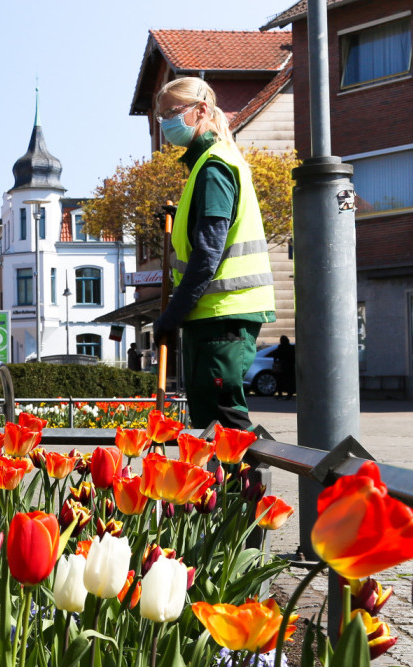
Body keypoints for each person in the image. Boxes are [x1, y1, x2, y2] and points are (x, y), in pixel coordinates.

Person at [151, 78, 276, 430]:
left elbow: (207, 254)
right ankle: (232, 484)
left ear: (201, 110)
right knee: (213, 420)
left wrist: (171, 316)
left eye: (172, 114)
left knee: (222, 420)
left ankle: (245, 484)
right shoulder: (209, 164)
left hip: (222, 316)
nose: (166, 127)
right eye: (162, 119)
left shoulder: (214, 168)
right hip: (216, 316)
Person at [271, 335, 296, 399]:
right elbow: (293, 357)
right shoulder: (291, 347)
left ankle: (280, 394)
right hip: (290, 367)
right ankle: (289, 394)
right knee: (289, 381)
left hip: (282, 366)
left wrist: (277, 361)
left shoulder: (280, 347)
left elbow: (276, 355)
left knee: (280, 381)